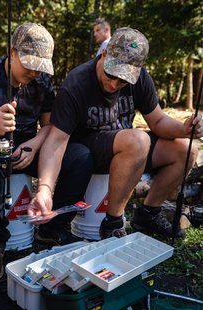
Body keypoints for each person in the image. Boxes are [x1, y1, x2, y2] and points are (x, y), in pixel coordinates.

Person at [28, 27, 203, 241]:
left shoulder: (141, 79)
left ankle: (149, 213)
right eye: (111, 74)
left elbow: (157, 121)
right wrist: (45, 188)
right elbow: (56, 140)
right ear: (103, 54)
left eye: (123, 80)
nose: (113, 84)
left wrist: (184, 129)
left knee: (187, 149)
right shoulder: (77, 83)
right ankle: (113, 222)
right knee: (138, 140)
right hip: (87, 151)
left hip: (128, 150)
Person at [0, 22, 93, 281]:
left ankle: (52, 227)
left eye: (40, 66)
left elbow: (50, 126)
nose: (34, 71)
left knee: (80, 156)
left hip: (26, 148)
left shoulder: (42, 82)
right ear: (12, 52)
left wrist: (34, 145)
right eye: (29, 63)